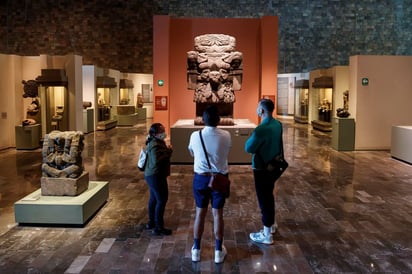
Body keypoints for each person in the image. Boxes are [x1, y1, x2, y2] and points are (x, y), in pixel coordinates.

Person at [188, 105, 231, 263]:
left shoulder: (195, 135)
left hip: (201, 178)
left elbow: (191, 152)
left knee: (200, 213)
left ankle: (196, 250)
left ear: (203, 120)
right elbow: (226, 152)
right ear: (219, 119)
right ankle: (218, 251)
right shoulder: (226, 135)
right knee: (217, 214)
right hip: (219, 178)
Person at [245, 98, 284, 245]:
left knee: (264, 199)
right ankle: (271, 223)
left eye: (257, 107)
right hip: (273, 165)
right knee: (269, 194)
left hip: (261, 167)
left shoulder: (261, 129)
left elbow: (248, 148)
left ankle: (267, 234)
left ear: (261, 110)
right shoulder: (278, 124)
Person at [144, 123, 173, 236]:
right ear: (155, 133)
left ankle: (151, 222)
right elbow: (157, 160)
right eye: (162, 131)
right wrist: (169, 151)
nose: (164, 133)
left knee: (154, 199)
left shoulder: (153, 141)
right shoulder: (155, 144)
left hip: (152, 174)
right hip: (156, 175)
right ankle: (158, 227)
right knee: (161, 199)